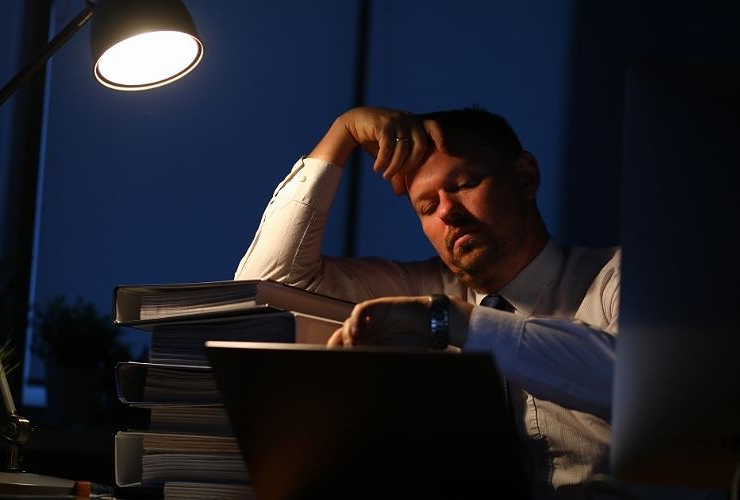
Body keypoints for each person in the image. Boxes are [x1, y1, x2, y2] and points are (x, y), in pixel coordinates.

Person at [234, 107, 723, 500]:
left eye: (465, 184)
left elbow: (647, 385)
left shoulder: (622, 275)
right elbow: (264, 286)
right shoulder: (421, 284)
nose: (448, 211)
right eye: (427, 207)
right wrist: (340, 136)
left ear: (525, 177)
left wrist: (456, 322)